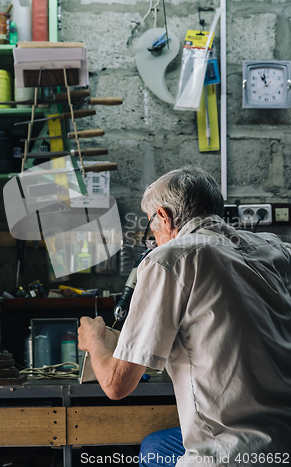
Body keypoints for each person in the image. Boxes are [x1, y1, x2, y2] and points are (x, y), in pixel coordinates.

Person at [78, 167, 291, 467]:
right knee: (155, 445)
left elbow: (116, 386)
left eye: (151, 226)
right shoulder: (275, 249)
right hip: (283, 440)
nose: (152, 239)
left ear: (163, 217)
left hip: (228, 453)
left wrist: (94, 340)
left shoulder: (169, 259)